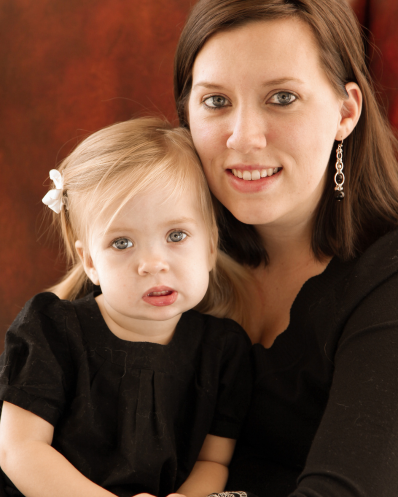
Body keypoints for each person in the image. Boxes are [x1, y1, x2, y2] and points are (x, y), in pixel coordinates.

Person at [173, 0, 398, 496]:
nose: (244, 138)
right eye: (215, 101)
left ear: (346, 112)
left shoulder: (388, 278)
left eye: (281, 98)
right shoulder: (160, 246)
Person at [0, 118, 252, 497]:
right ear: (90, 263)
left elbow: (212, 462)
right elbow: (19, 451)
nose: (152, 263)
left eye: (176, 235)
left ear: (211, 246)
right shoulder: (52, 331)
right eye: (121, 243)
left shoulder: (223, 351)